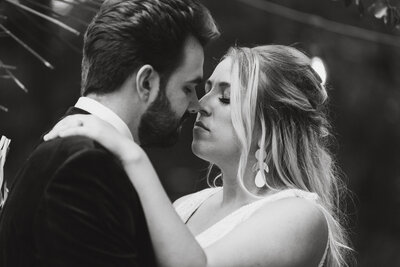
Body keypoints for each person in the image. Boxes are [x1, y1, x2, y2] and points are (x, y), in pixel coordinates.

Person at [45, 45, 354, 267]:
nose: (199, 105)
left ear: (268, 124)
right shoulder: (186, 206)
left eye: (225, 97)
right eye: (205, 89)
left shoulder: (299, 215)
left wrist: (131, 155)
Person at [0, 0, 219, 266]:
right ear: (146, 83)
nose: (196, 105)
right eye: (188, 88)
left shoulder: (80, 151)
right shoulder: (85, 165)